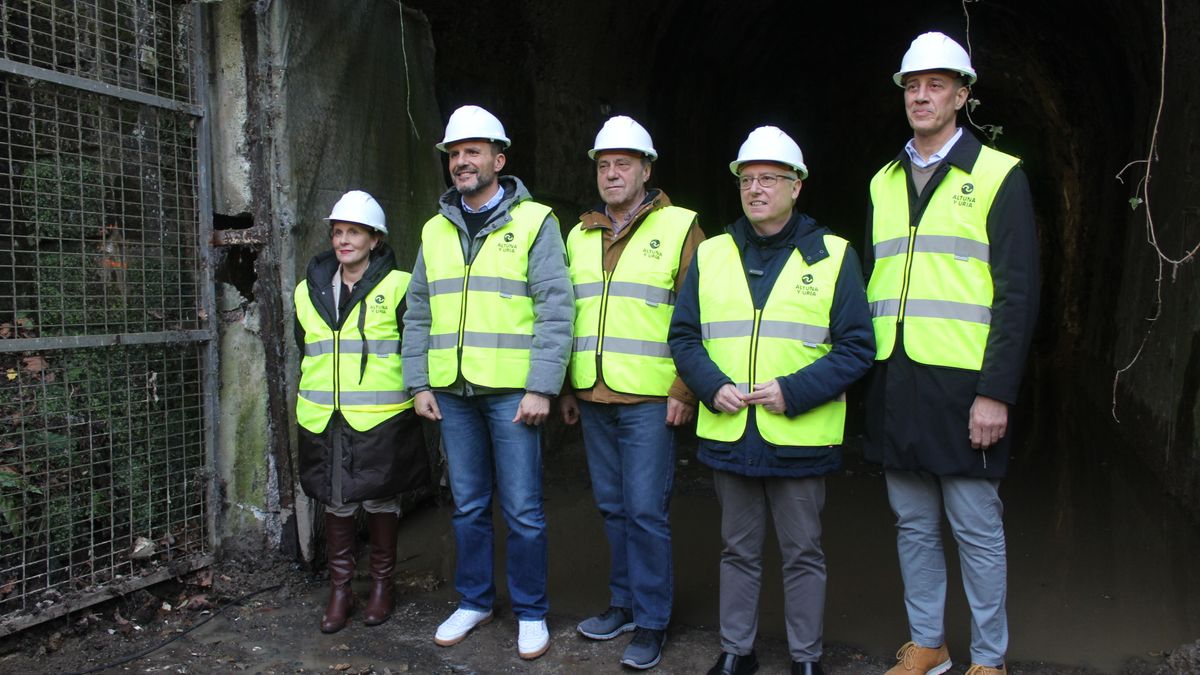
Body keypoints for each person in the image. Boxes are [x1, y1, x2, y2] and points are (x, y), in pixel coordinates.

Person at [669, 127, 874, 675]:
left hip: (799, 438)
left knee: (803, 553)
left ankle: (806, 658)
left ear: (796, 186)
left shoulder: (833, 256)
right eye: (747, 178)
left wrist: (795, 391)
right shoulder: (712, 253)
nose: (756, 188)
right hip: (732, 431)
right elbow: (683, 337)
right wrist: (711, 387)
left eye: (769, 178)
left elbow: (859, 348)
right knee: (737, 550)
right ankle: (738, 651)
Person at [864, 32, 1039, 675]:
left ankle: (988, 659)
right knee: (912, 523)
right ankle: (929, 644)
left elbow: (1017, 295)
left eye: (936, 85)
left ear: (961, 96)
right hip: (897, 378)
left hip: (966, 385)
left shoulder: (998, 175)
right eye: (912, 85)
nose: (921, 95)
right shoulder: (883, 182)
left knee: (975, 527)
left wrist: (997, 392)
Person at [401, 105, 573, 660]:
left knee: (523, 508)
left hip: (512, 393)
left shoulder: (535, 222)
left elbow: (555, 309)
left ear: (499, 159)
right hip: (452, 390)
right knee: (469, 504)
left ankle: (530, 611)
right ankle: (474, 601)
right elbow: (419, 311)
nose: (461, 162)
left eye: (472, 152)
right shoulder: (435, 227)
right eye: (454, 153)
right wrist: (418, 382)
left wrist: (543, 387)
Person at [559, 116, 704, 670]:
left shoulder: (682, 226)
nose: (612, 173)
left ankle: (652, 620)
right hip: (594, 397)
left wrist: (684, 388)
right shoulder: (579, 233)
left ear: (647, 169)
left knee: (646, 511)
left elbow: (700, 315)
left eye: (623, 164)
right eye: (604, 165)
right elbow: (570, 315)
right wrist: (570, 387)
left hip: (649, 398)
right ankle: (622, 603)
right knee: (613, 507)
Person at [293, 190, 427, 633]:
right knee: (337, 501)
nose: (343, 240)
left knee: (380, 498)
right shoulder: (306, 290)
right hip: (324, 415)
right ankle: (340, 590)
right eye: (337, 232)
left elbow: (415, 348)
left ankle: (383, 586)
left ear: (375, 238)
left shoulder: (401, 286)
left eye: (353, 232)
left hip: (382, 415)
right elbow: (305, 348)